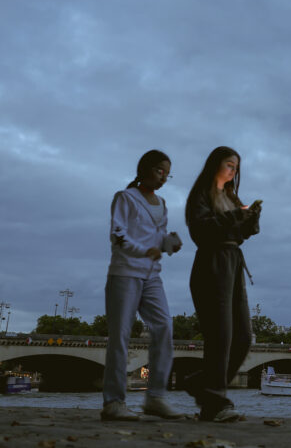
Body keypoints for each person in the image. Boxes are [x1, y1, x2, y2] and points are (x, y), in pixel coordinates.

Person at [101, 150, 184, 421]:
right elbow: (118, 235)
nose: (164, 177)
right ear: (145, 169)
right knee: (120, 336)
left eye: (167, 173)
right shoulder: (125, 198)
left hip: (152, 276)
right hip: (125, 273)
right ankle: (114, 402)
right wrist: (144, 250)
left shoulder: (162, 203)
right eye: (160, 170)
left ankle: (156, 397)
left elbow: (157, 239)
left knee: (164, 328)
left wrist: (169, 243)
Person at [182, 146, 262, 422]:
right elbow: (201, 229)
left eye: (236, 167)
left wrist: (251, 220)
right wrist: (235, 216)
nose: (233, 171)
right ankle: (215, 402)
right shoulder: (201, 195)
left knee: (242, 337)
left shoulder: (230, 196)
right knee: (220, 337)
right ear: (215, 165)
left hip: (233, 262)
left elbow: (238, 233)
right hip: (211, 263)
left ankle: (200, 385)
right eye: (229, 164)